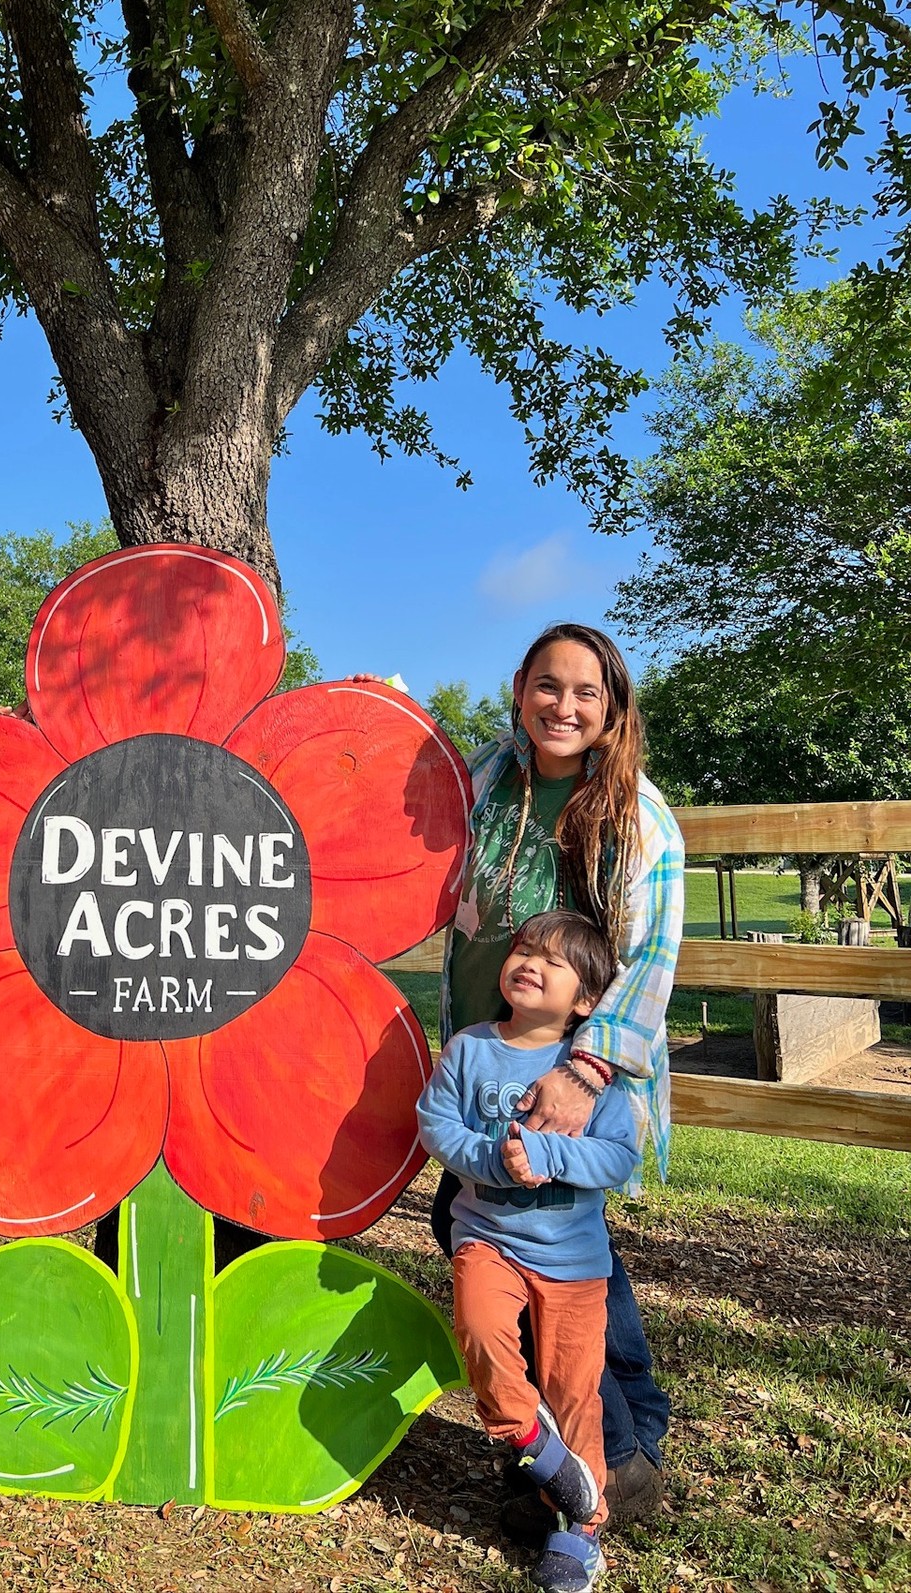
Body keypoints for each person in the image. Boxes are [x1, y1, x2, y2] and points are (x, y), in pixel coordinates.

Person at [431, 622, 685, 1537]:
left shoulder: (635, 814)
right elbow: (405, 809)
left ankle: (601, 1455)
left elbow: (650, 955)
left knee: (543, 1242)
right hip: (491, 1054)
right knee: (541, 1239)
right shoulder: (487, 776)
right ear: (519, 687)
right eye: (547, 684)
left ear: (612, 708)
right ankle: (614, 1438)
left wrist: (584, 1070)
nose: (563, 706)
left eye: (586, 692)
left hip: (571, 1069)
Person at [419, 910, 637, 1593]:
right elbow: (435, 1123)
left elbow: (618, 1157)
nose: (530, 963)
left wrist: (546, 1154)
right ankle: (530, 1441)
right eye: (523, 949)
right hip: (487, 1238)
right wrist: (494, 1159)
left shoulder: (593, 1077)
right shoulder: (469, 1050)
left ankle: (579, 1528)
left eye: (552, 960)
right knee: (481, 1334)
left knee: (574, 1390)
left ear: (584, 1001)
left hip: (574, 1261)